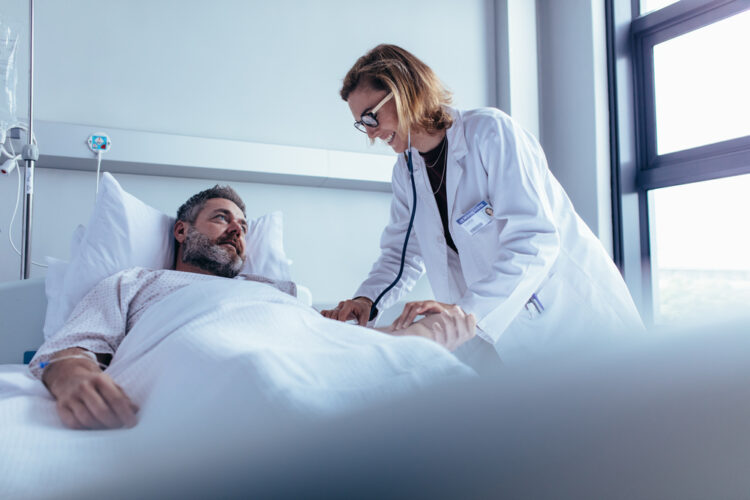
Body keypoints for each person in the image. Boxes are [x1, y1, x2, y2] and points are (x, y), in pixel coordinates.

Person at [31, 185, 475, 430]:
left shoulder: (277, 291)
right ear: (182, 231)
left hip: (295, 339)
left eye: (243, 227)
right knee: (252, 371)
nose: (237, 232)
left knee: (431, 385)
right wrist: (73, 378)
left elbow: (325, 340)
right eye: (222, 218)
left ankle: (412, 349)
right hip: (203, 341)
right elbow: (70, 347)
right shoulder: (136, 281)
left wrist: (412, 326)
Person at [322, 44, 644, 364]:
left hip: (574, 318)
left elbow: (534, 239)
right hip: (509, 334)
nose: (371, 133)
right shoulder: (406, 173)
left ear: (404, 91)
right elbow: (401, 256)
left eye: (371, 116)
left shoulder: (490, 133)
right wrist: (366, 299)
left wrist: (461, 314)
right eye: (361, 124)